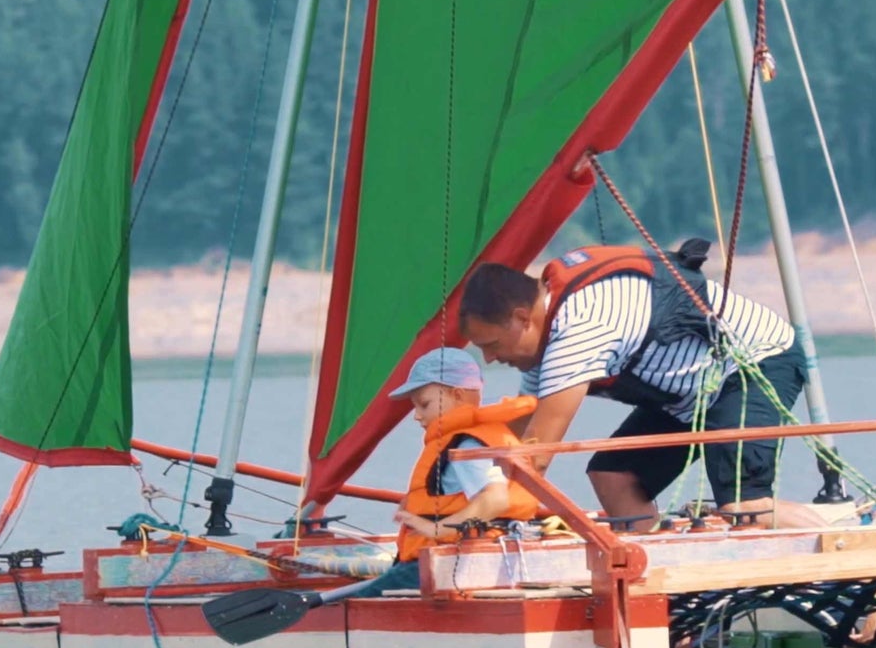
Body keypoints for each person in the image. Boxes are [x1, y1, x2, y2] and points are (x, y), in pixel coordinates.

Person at [458, 241, 828, 530]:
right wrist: (450, 475)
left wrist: (463, 520)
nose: (489, 359)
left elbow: (535, 456)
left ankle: (850, 537)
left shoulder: (579, 329)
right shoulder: (551, 329)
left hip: (752, 365)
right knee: (614, 476)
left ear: (522, 318)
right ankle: (659, 592)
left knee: (744, 507)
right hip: (690, 392)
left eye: (491, 345)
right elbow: (519, 430)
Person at [337, 347, 539, 599]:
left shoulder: (465, 444)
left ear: (456, 395)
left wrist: (438, 529)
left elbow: (495, 499)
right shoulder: (488, 435)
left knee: (349, 603)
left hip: (445, 559)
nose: (417, 415)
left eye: (424, 404)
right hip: (468, 553)